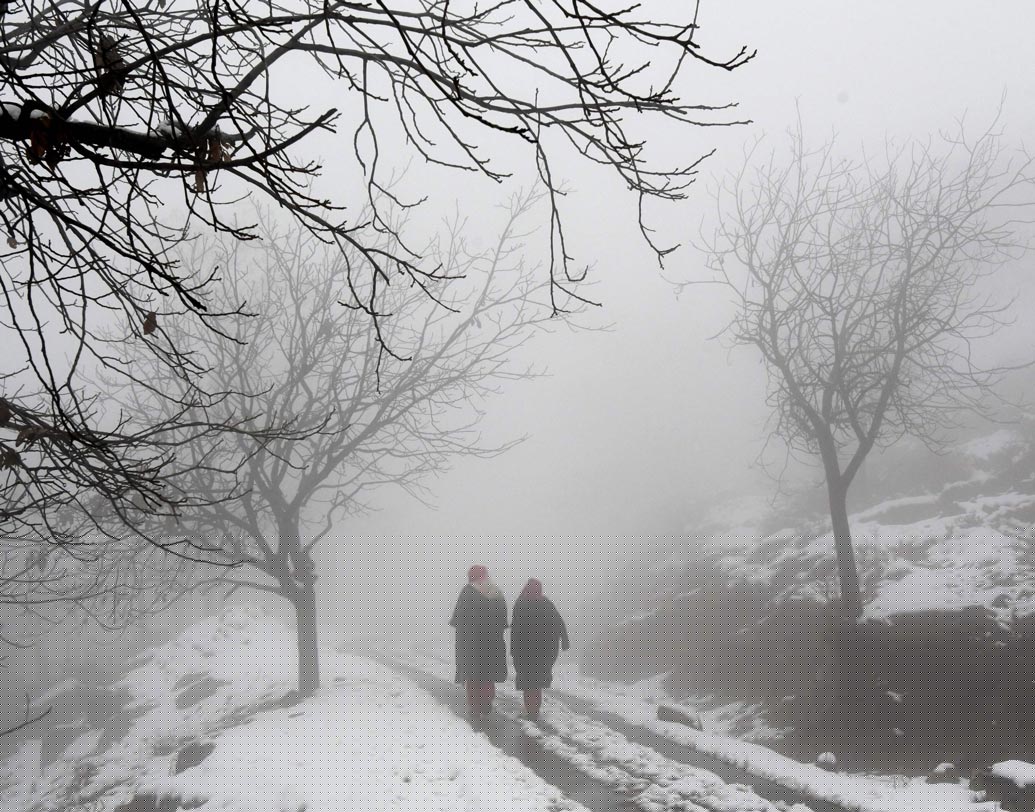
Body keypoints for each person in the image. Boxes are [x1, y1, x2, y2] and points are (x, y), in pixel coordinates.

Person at [450, 565, 508, 719]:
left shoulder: (468, 591)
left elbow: (458, 618)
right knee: (487, 675)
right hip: (492, 643)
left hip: (471, 643)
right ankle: (487, 701)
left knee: (472, 675)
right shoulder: (496, 592)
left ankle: (475, 706)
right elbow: (503, 620)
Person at [510, 578, 569, 720]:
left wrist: (513, 649)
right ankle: (534, 711)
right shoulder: (546, 603)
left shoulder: (521, 603)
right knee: (536, 684)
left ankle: (531, 712)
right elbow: (559, 622)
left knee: (528, 683)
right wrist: (565, 640)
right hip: (543, 652)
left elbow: (515, 629)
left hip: (525, 652)